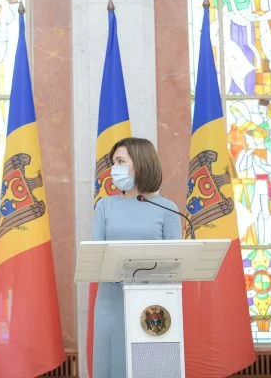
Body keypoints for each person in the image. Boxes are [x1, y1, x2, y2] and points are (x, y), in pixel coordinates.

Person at [91, 137, 182, 377]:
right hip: (111, 301)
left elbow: (176, 264)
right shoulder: (104, 206)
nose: (114, 168)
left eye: (121, 161)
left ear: (141, 163)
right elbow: (97, 256)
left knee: (150, 366)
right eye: (113, 163)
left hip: (153, 305)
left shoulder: (167, 208)